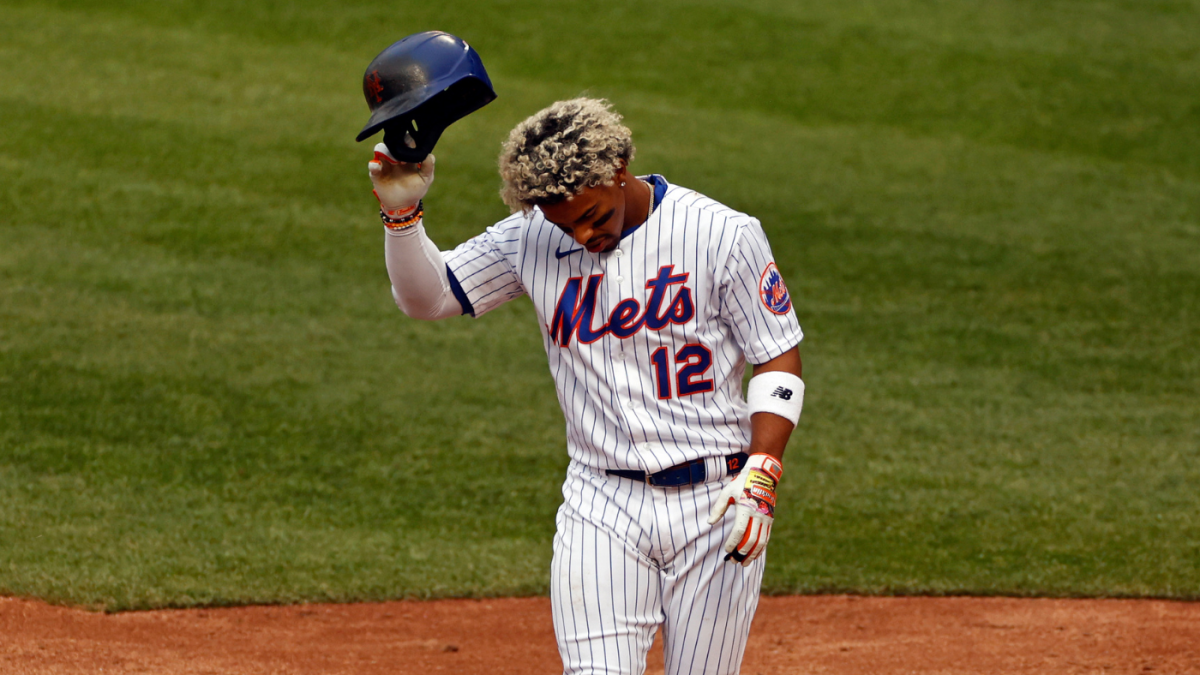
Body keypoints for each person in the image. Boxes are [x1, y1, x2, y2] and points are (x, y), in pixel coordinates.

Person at [369, 97, 805, 675]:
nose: (582, 234)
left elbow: (776, 355)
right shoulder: (531, 237)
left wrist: (763, 470)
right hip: (602, 504)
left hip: (718, 503)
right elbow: (429, 298)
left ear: (619, 170)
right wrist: (403, 217)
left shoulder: (722, 234)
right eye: (564, 224)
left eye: (593, 215)